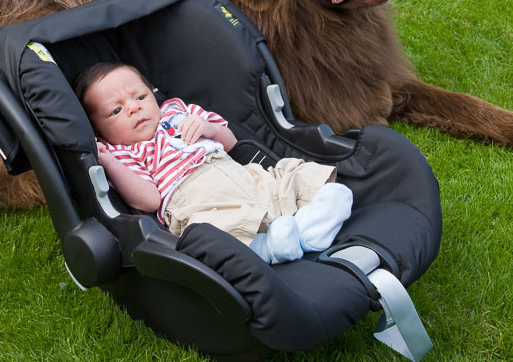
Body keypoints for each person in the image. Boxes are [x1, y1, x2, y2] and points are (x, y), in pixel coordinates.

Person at [74, 62, 353, 264]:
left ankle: (310, 227)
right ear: (98, 131)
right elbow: (149, 201)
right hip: (198, 202)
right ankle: (268, 247)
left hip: (243, 175)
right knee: (214, 231)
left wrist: (209, 128)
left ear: (153, 93)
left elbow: (231, 142)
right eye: (117, 110)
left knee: (293, 175)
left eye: (140, 96)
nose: (134, 107)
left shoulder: (178, 111)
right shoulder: (123, 153)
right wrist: (110, 164)